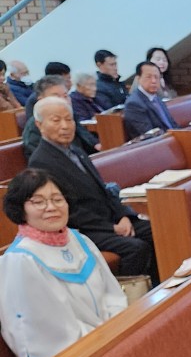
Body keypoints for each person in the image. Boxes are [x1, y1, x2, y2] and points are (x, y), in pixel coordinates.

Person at [0, 169, 127, 357]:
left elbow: (112, 293)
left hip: (110, 340)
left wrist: (118, 328)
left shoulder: (79, 241)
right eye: (38, 202)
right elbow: (51, 332)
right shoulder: (21, 260)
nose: (51, 207)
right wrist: (103, 342)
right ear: (21, 210)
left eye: (57, 199)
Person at [29, 97, 157, 282]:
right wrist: (112, 228)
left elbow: (104, 190)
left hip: (107, 219)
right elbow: (68, 210)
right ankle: (127, 294)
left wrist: (123, 215)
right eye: (56, 120)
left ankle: (162, 286)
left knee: (156, 230)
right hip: (84, 229)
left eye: (69, 119)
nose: (65, 126)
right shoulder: (41, 162)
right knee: (135, 248)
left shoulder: (77, 151)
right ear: (39, 125)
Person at [23, 77, 98, 159]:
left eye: (65, 96)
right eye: (56, 97)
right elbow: (45, 160)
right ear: (41, 100)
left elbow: (86, 140)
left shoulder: (71, 116)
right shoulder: (35, 128)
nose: (64, 101)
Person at [123, 61, 179, 139]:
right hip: (157, 143)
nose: (153, 81)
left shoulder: (157, 98)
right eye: (148, 77)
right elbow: (149, 134)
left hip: (171, 138)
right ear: (138, 79)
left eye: (156, 77)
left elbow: (172, 124)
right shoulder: (134, 104)